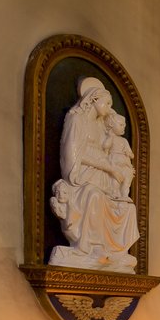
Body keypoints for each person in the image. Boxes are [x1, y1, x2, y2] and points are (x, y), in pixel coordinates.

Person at [49, 77, 139, 273]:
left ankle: (114, 252)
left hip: (103, 178)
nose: (108, 108)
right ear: (93, 99)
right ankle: (88, 247)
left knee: (127, 208)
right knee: (94, 195)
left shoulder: (100, 126)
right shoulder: (76, 119)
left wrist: (113, 170)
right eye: (106, 103)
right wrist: (108, 167)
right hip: (80, 178)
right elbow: (73, 154)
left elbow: (108, 150)